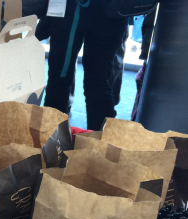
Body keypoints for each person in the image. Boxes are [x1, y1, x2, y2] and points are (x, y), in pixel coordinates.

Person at [42, 0, 129, 130]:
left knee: (60, 77)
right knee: (99, 81)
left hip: (73, 9)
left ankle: (51, 141)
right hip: (115, 10)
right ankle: (99, 146)